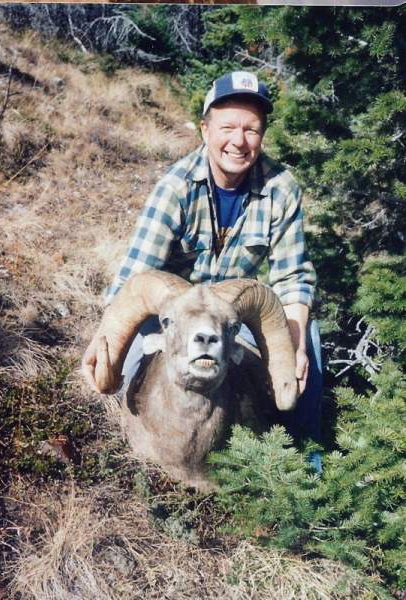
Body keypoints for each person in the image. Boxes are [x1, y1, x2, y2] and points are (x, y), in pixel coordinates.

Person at [83, 71, 322, 469]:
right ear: (205, 129)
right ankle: (142, 450)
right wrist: (106, 338)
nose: (238, 141)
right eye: (227, 126)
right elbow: (138, 271)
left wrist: (293, 349)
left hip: (229, 312)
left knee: (307, 340)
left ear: (262, 136)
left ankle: (304, 453)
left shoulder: (281, 188)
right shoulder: (176, 187)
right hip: (176, 310)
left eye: (252, 129)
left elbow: (293, 278)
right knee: (120, 378)